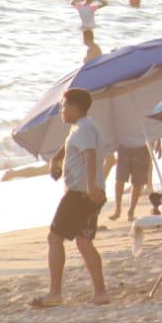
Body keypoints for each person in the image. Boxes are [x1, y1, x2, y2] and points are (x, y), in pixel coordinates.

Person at [33, 88, 108, 308]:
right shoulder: (82, 127)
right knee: (84, 242)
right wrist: (54, 161)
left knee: (54, 238)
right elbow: (69, 146)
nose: (61, 111)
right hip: (88, 194)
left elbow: (90, 155)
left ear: (76, 107)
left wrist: (91, 186)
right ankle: (101, 293)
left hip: (79, 194)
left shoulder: (83, 128)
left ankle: (54, 293)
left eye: (64, 106)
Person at [105, 142, 150, 222]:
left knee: (137, 182)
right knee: (120, 179)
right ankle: (117, 210)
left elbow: (152, 130)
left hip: (141, 146)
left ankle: (131, 211)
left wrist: (157, 141)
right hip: (124, 146)